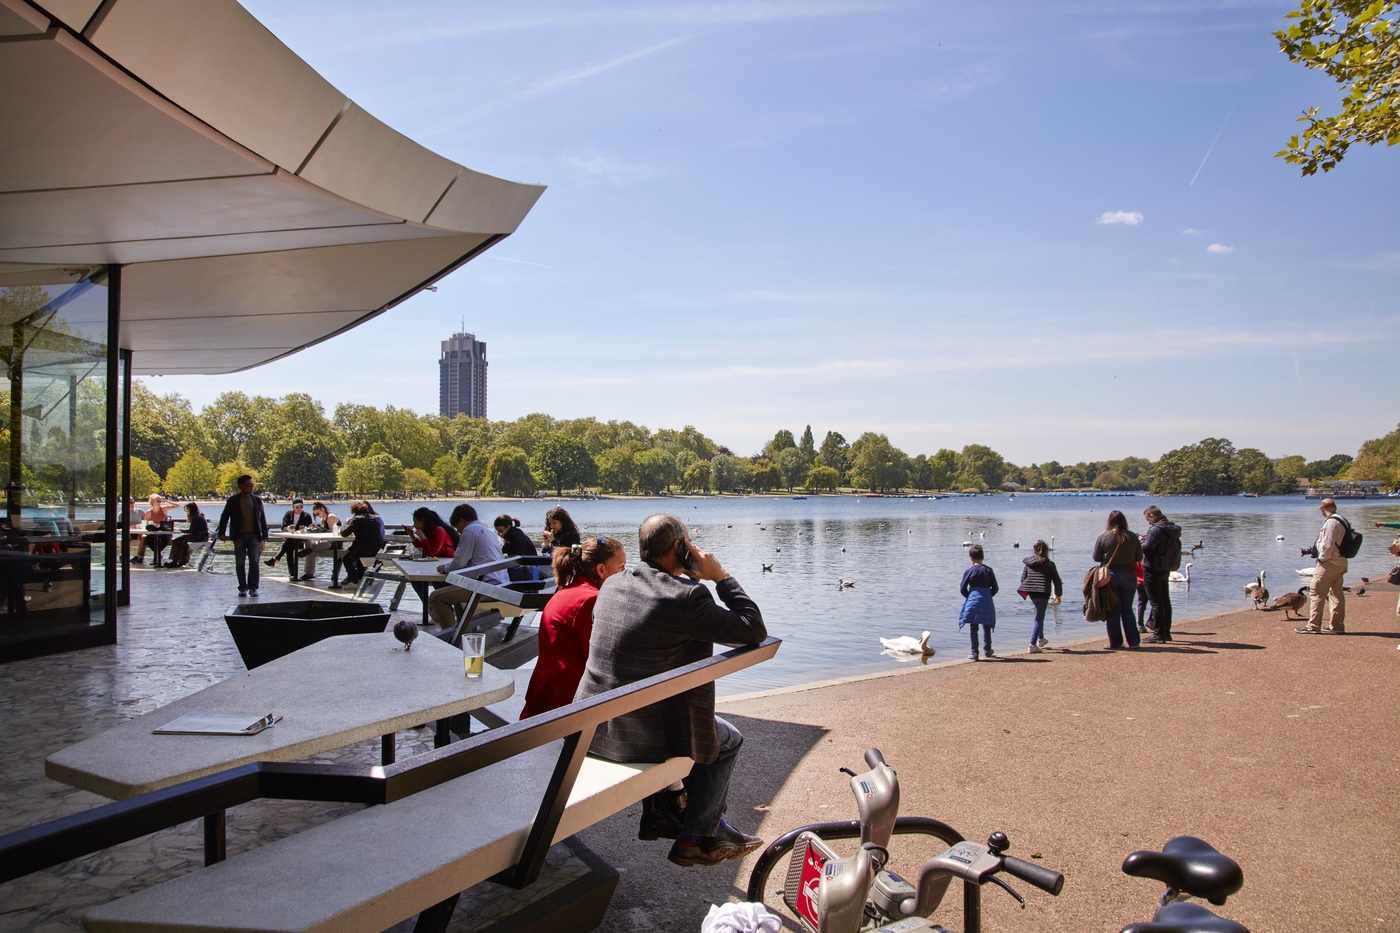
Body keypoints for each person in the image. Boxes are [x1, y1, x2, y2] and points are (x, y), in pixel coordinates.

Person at [574, 514, 766, 868]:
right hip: (634, 736)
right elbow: (753, 629)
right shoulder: (687, 598)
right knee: (728, 740)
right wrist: (721, 577)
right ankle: (695, 837)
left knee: (673, 712)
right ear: (680, 548)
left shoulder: (613, 584)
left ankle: (674, 815)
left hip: (592, 728)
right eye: (688, 543)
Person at [519, 535, 627, 719]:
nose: (625, 573)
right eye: (621, 567)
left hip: (545, 695)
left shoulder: (566, 592)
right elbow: (601, 659)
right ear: (601, 570)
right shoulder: (590, 599)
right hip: (567, 704)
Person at [427, 504, 509, 629]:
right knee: (455, 593)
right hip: (500, 583)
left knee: (436, 598)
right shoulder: (486, 530)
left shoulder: (470, 530)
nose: (458, 532)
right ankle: (462, 631)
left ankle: (451, 637)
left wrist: (445, 568)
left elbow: (459, 562)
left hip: (486, 586)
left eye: (457, 528)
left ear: (462, 521)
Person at [1093, 510, 1144, 649]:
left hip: (1110, 576)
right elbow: (1139, 557)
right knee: (1127, 609)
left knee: (1113, 610)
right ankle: (1134, 642)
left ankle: (1116, 643)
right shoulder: (1132, 536)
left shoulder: (1104, 536)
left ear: (1109, 521)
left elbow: (1096, 557)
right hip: (1129, 575)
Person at [1297, 497, 1348, 635]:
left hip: (1329, 563)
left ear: (1322, 508)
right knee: (1336, 593)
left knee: (1316, 593)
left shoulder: (1331, 523)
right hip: (1341, 562)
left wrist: (1321, 559)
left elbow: (1327, 545)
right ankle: (1337, 626)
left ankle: (1313, 626)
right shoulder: (1342, 520)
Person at [215, 475, 269, 597]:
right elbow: (225, 516)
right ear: (241, 486)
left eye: (252, 485)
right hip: (239, 535)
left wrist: (264, 535)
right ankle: (243, 588)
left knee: (254, 561)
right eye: (248, 485)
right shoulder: (233, 500)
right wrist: (221, 532)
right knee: (240, 562)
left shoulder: (257, 500)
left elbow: (262, 518)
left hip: (254, 535)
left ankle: (253, 587)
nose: (251, 487)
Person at [1140, 505, 1181, 644]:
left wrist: (1140, 542)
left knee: (1156, 602)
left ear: (1152, 516)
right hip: (1165, 567)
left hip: (1152, 568)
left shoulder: (1155, 530)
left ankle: (1158, 634)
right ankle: (1166, 632)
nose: (1148, 522)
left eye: (1148, 519)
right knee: (1165, 600)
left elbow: (1148, 548)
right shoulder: (1171, 528)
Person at [1018, 540, 1061, 653]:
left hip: (1032, 593)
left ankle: (1041, 639)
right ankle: (1032, 644)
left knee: (1040, 614)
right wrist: (1058, 595)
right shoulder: (1049, 564)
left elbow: (1023, 579)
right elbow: (1057, 581)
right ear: (1046, 551)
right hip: (1043, 592)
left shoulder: (1029, 564)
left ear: (1035, 550)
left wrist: (1029, 588)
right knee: (1039, 617)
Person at [959, 545, 998, 660]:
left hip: (973, 601)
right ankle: (988, 649)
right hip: (986, 601)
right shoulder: (989, 570)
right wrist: (988, 596)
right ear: (983, 557)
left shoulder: (969, 571)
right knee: (987, 625)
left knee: (973, 626)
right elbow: (995, 588)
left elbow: (962, 588)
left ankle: (974, 653)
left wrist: (969, 597)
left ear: (971, 558)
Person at [337, 500, 385, 585]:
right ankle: (360, 579)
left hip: (363, 550)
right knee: (358, 559)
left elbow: (344, 533)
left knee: (347, 559)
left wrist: (345, 522)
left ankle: (354, 581)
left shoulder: (357, 519)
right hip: (377, 550)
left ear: (354, 511)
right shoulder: (375, 518)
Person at [264, 498, 312, 574]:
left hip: (302, 540)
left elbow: (309, 529)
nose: (299, 508)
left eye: (301, 506)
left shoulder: (306, 516)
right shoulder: (288, 514)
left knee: (289, 543)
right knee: (289, 546)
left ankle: (276, 559)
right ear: (293, 507)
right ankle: (292, 574)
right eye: (297, 507)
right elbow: (283, 526)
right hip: (290, 539)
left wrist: (303, 530)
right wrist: (287, 529)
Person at [297, 502, 340, 581]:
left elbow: (333, 533)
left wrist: (320, 530)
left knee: (310, 549)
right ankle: (309, 572)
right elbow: (324, 531)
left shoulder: (330, 517)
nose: (317, 516)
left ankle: (309, 572)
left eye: (317, 513)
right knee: (308, 541)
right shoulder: (322, 519)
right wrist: (316, 528)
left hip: (333, 542)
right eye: (315, 515)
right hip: (325, 540)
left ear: (322, 509)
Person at [495, 514, 538, 581]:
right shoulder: (512, 535)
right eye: (497, 531)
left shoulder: (517, 538)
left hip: (527, 568)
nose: (499, 534)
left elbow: (519, 554)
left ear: (508, 527)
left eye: (500, 531)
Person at [165, 502, 209, 567]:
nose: (187, 511)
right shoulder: (198, 515)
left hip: (199, 536)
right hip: (202, 535)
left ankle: (176, 560)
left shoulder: (195, 517)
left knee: (177, 541)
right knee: (180, 540)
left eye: (187, 509)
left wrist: (180, 530)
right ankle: (180, 560)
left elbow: (191, 530)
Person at [133, 495, 170, 564]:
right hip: (152, 533)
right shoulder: (149, 512)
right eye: (158, 501)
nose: (159, 502)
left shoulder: (164, 509)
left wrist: (166, 500)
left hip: (164, 532)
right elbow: (145, 523)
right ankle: (155, 556)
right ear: (152, 502)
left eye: (160, 501)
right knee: (146, 538)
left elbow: (177, 506)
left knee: (157, 540)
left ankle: (140, 557)